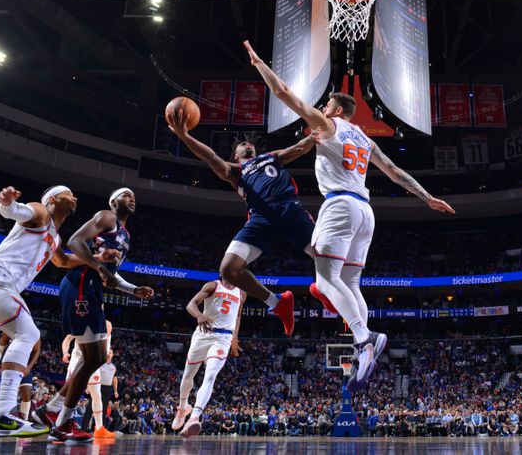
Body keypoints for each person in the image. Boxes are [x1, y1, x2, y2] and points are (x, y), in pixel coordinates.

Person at [244, 40, 454, 390]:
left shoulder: (329, 125)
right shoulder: (364, 139)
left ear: (336, 109)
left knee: (326, 281)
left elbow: (283, 92)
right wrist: (427, 196)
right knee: (351, 282)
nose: (322, 108)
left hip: (340, 205)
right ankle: (364, 351)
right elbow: (394, 171)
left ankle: (363, 339)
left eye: (326, 104)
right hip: (365, 212)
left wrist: (258, 64)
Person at [167, 108, 317, 337]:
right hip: (260, 218)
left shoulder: (272, 157)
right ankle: (277, 303)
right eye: (242, 145)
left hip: (289, 209)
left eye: (250, 143)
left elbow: (299, 148)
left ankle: (329, 293)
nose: (247, 144)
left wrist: (317, 132)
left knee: (327, 257)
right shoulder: (235, 171)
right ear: (235, 155)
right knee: (227, 270)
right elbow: (211, 157)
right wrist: (185, 136)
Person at [0, 185, 91, 437]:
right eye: (68, 193)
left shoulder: (56, 237)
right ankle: (2, 415)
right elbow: (17, 211)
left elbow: (62, 261)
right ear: (53, 199)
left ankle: (2, 415)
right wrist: (7, 204)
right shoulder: (41, 211)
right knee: (28, 334)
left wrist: (96, 258)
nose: (74, 196)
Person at [37, 188, 153, 443]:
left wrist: (134, 290)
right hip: (80, 283)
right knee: (95, 358)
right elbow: (75, 242)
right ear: (113, 201)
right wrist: (100, 266)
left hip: (93, 290)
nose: (132, 198)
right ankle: (61, 421)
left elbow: (111, 274)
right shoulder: (106, 217)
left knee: (95, 359)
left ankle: (51, 410)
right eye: (126, 195)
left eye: (134, 195)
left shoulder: (126, 236)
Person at [172, 280, 246, 438]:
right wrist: (199, 315)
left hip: (223, 337)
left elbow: (238, 315)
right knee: (188, 374)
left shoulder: (241, 292)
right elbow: (191, 304)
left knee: (211, 375)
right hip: (203, 333)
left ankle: (194, 417)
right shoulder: (213, 285)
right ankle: (183, 407)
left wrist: (235, 338)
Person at [0, 334, 41, 435]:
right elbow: (0, 347)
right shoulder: (9, 330)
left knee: (26, 394)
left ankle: (23, 422)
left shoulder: (34, 333)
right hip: (10, 365)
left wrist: (29, 367)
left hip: (25, 366)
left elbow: (36, 351)